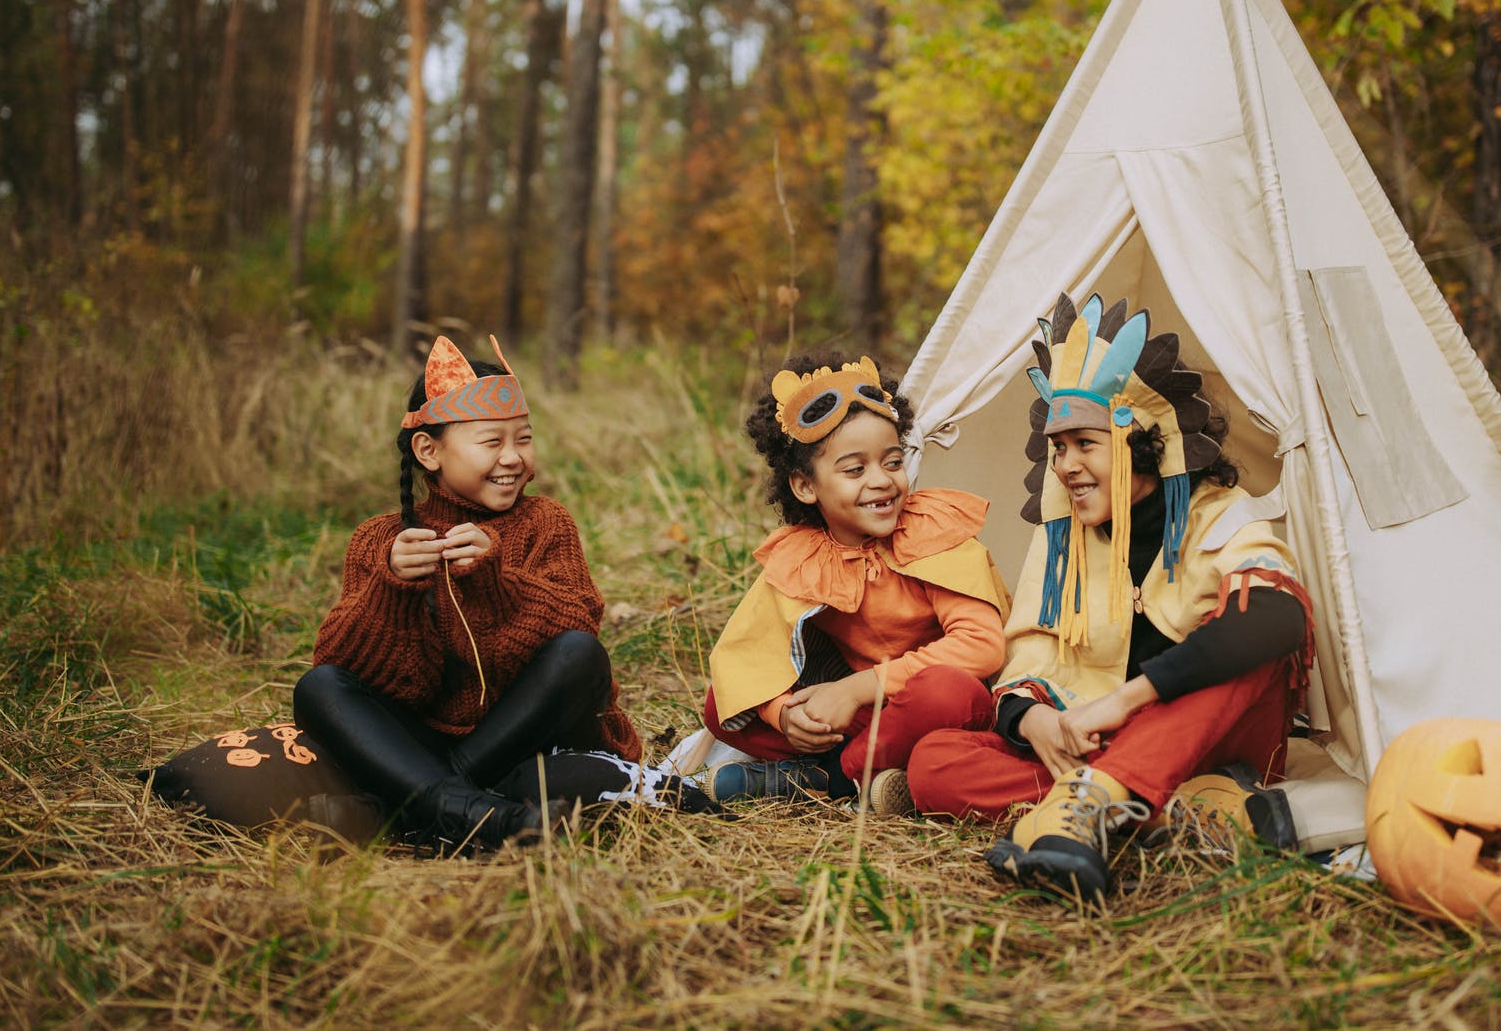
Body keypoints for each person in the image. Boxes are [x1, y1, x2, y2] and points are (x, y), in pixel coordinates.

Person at [906, 295, 1314, 902]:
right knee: (932, 762)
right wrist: (1034, 718)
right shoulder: (1061, 540)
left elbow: (1281, 617)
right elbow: (1030, 658)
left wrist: (1131, 698)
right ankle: (1179, 814)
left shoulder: (1219, 518)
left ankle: (1090, 807)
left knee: (1248, 637)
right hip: (1110, 746)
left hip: (1205, 738)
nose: (1066, 466)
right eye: (1058, 448)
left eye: (1085, 445)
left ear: (1141, 441)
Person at [292, 335, 702, 852]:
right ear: (428, 450)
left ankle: (425, 808)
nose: (513, 458)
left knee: (578, 652)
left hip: (525, 744)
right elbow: (355, 668)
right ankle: (480, 810)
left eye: (523, 439)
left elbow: (577, 639)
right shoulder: (382, 540)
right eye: (492, 442)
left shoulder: (545, 523)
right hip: (422, 739)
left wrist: (496, 580)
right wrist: (390, 590)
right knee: (320, 687)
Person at [700, 353, 1010, 815]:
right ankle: (870, 769)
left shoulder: (931, 532)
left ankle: (825, 778)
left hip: (928, 705)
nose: (882, 481)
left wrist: (858, 688)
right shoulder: (805, 556)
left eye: (892, 461)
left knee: (948, 692)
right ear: (806, 487)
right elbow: (748, 657)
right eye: (854, 469)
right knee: (722, 701)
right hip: (864, 717)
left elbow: (982, 647)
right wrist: (783, 714)